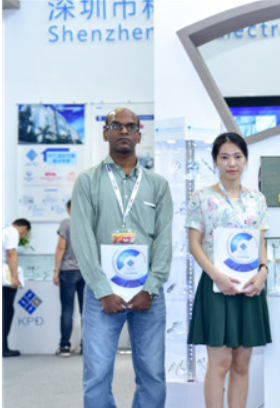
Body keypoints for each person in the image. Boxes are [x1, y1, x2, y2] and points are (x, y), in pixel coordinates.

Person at [71, 107, 172, 407]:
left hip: (148, 294)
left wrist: (150, 288)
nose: (124, 130)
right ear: (106, 133)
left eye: (131, 126)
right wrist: (103, 291)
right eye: (116, 125)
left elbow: (164, 239)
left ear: (140, 134)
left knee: (152, 374)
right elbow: (82, 238)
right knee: (97, 374)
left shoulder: (158, 185)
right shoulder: (87, 181)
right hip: (102, 295)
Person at [186, 133, 271, 408]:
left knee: (241, 364)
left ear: (245, 160)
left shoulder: (257, 198)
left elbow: (260, 241)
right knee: (220, 363)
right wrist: (216, 276)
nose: (231, 163)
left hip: (250, 287)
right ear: (214, 161)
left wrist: (263, 271)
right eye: (224, 157)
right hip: (216, 286)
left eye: (237, 156)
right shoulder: (201, 197)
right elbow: (194, 244)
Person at [54, 200, 85, 357]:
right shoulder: (89, 223)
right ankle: (86, 346)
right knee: (86, 311)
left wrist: (56, 270)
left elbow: (61, 247)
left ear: (68, 210)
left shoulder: (66, 223)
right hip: (86, 271)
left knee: (67, 309)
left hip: (68, 270)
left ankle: (65, 346)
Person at [2, 218, 31, 357]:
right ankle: (3, 348)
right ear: (24, 228)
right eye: (25, 234)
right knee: (6, 312)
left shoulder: (4, 231)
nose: (23, 236)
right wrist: (14, 277)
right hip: (4, 279)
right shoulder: (13, 232)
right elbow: (11, 253)